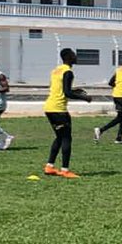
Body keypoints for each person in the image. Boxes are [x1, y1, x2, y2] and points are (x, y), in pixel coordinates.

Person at [43, 48, 92, 178]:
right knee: (66, 138)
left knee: (59, 137)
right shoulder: (68, 72)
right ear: (69, 57)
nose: (76, 56)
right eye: (73, 54)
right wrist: (84, 98)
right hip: (59, 109)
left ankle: (49, 167)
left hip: (49, 107)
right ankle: (65, 170)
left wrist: (75, 90)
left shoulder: (56, 70)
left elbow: (59, 89)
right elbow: (67, 93)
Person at [95, 55, 122, 144]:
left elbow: (111, 83)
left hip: (116, 95)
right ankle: (101, 130)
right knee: (121, 117)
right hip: (121, 96)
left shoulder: (119, 69)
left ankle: (119, 138)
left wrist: (119, 87)